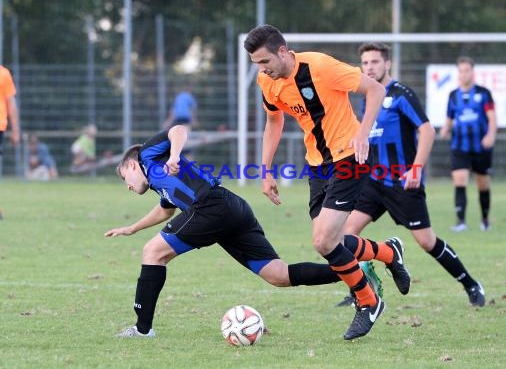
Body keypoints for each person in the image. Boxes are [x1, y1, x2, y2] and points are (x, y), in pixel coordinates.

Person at [105, 125, 383, 338]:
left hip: (210, 207)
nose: (127, 186)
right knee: (278, 275)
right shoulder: (159, 183)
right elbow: (166, 210)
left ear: (130, 165)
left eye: (124, 178)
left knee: (153, 252)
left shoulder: (146, 156)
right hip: (231, 209)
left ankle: (142, 330)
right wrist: (132, 228)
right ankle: (354, 272)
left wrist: (175, 155)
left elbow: (178, 130)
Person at [244, 24, 406, 340]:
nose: (261, 71)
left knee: (323, 240)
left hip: (349, 157)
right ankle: (388, 253)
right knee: (332, 242)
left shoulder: (320, 67)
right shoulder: (268, 82)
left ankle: (368, 301)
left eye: (264, 62)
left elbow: (376, 90)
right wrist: (265, 170)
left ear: (282, 51)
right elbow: (273, 122)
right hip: (317, 165)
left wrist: (362, 134)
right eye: (256, 65)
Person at [336, 43, 485, 308]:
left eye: (374, 62)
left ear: (387, 64)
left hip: (402, 182)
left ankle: (471, 284)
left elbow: (426, 131)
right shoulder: (366, 98)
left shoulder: (401, 94)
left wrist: (416, 168)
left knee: (426, 241)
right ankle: (360, 292)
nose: (369, 67)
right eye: (365, 63)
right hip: (372, 181)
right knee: (347, 233)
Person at [439, 56, 497, 232]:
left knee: (483, 183)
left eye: (467, 70)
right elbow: (449, 119)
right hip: (459, 146)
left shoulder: (483, 93)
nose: (464, 74)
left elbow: (492, 118)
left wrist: (490, 135)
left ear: (473, 72)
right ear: (458, 73)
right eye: (461, 70)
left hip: (481, 146)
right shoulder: (453, 96)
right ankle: (461, 221)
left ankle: (485, 219)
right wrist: (444, 130)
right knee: (460, 180)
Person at [0, 65, 20, 220]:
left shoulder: (3, 74)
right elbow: (11, 103)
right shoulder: (3, 73)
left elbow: (11, 103)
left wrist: (15, 131)